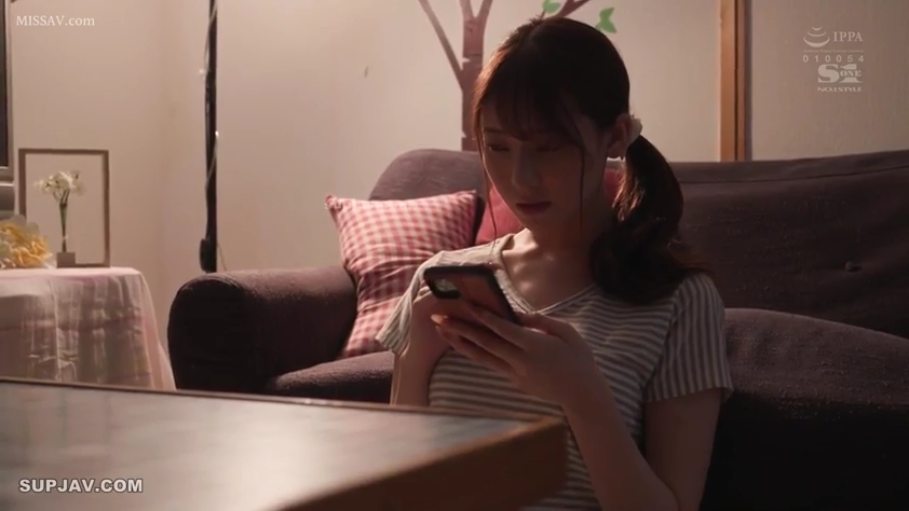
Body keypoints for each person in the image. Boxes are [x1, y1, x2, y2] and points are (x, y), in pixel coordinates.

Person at [377, 15, 733, 511]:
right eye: (498, 147)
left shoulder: (680, 300)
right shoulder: (441, 278)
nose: (520, 177)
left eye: (549, 148)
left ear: (615, 136)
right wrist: (416, 356)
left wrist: (582, 397)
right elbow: (395, 493)